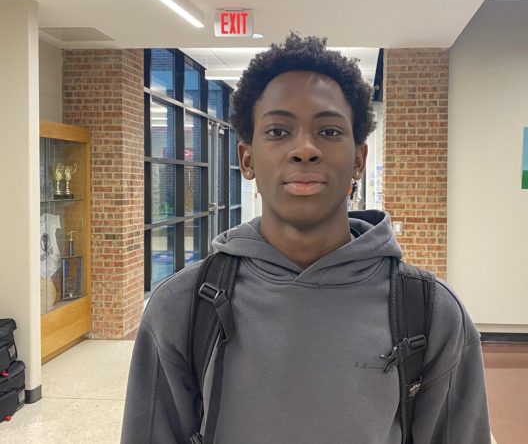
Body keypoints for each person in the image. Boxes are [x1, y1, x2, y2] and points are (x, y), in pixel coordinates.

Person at [121, 33, 491, 444]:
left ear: (358, 160)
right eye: (278, 131)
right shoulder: (183, 307)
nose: (305, 150)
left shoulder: (432, 313)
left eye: (329, 131)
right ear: (247, 160)